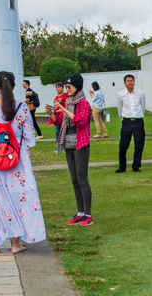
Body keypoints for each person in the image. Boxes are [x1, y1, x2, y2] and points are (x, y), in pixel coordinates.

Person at [0, 71, 46, 254]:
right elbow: (29, 137)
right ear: (14, 86)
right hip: (17, 161)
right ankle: (15, 243)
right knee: (18, 200)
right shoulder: (22, 108)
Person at [56, 73, 94, 226]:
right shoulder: (69, 102)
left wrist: (64, 110)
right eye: (66, 86)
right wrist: (52, 114)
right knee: (74, 180)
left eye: (69, 86)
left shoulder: (83, 103)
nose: (67, 89)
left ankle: (88, 214)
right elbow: (59, 122)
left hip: (81, 143)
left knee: (82, 179)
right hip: (69, 143)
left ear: (77, 86)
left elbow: (81, 121)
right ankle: (80, 212)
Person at [116, 74, 145, 173]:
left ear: (134, 82)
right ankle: (122, 166)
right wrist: (123, 118)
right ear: (125, 83)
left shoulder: (140, 93)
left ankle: (136, 166)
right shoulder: (121, 94)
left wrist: (138, 116)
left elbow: (143, 106)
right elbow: (119, 108)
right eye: (128, 81)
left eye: (132, 80)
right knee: (123, 145)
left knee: (139, 144)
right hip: (127, 121)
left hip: (138, 121)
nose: (130, 82)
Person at [45, 82, 67, 150]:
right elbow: (55, 108)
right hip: (57, 117)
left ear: (62, 88)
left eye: (59, 87)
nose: (58, 89)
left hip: (64, 116)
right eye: (57, 87)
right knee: (57, 132)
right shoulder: (56, 97)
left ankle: (65, 146)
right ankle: (58, 147)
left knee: (64, 132)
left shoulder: (66, 96)